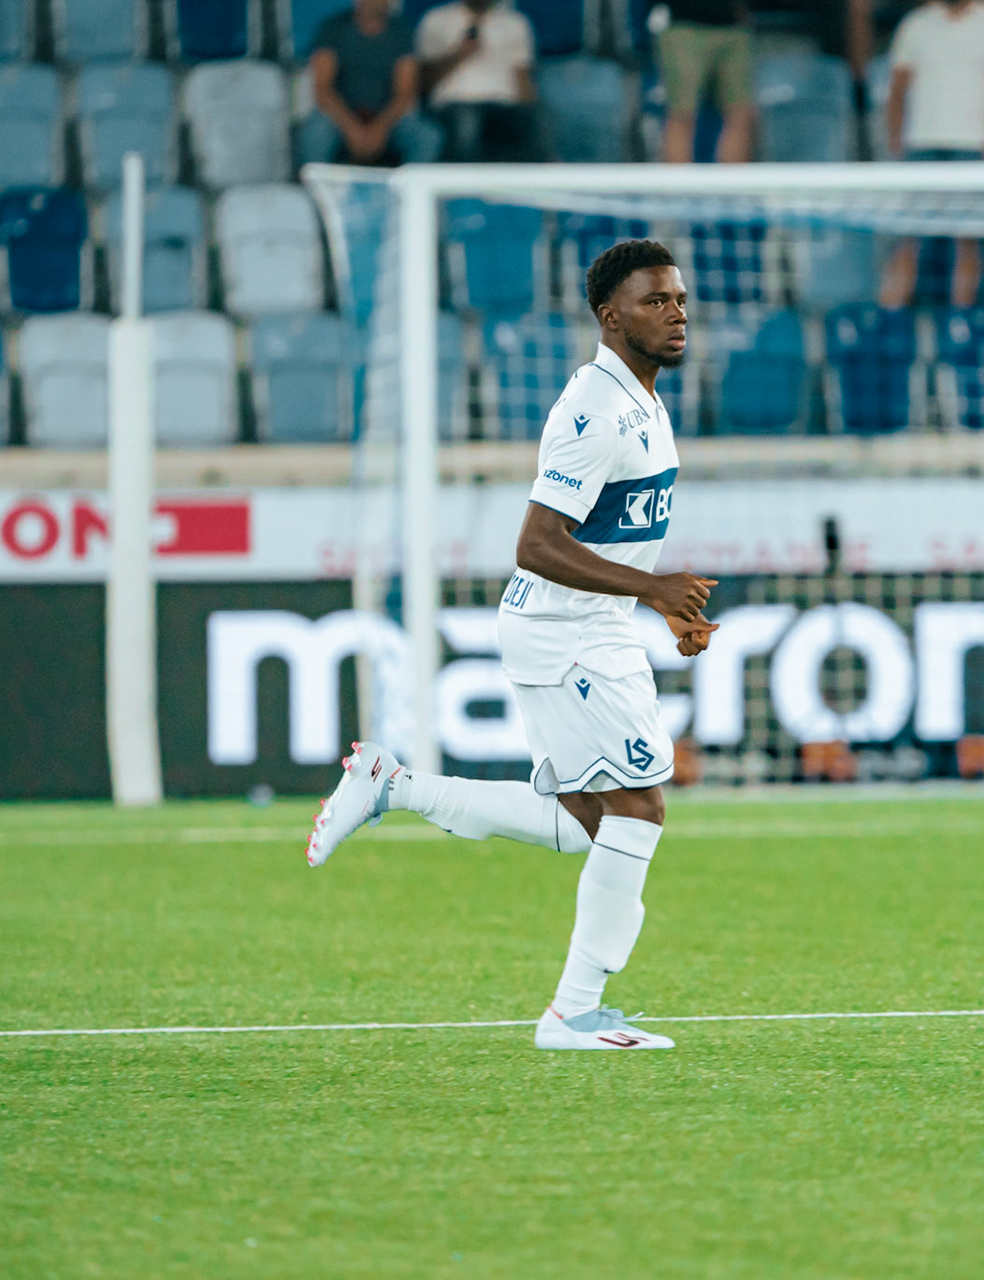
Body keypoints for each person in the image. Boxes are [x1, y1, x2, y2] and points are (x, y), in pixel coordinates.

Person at [306, 240, 717, 1052]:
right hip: (565, 632)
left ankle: (395, 786)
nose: (674, 313)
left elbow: (610, 532)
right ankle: (573, 1013)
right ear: (610, 317)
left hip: (585, 626)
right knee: (640, 807)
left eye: (677, 299)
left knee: (586, 820)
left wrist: (656, 603)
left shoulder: (642, 397)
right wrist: (655, 590)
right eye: (653, 301)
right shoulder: (596, 410)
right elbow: (535, 541)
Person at [879, 0, 984, 308]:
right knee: (908, 237)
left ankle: (963, 318)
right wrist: (896, 138)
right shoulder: (916, 23)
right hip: (921, 145)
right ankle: (890, 313)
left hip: (972, 146)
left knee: (967, 237)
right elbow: (896, 89)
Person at [304, 0, 440, 166]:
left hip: (388, 119)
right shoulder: (333, 28)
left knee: (428, 137)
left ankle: (405, 188)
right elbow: (323, 90)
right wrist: (352, 129)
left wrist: (380, 128)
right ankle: (319, 189)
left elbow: (405, 93)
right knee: (315, 134)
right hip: (341, 117)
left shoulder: (402, 30)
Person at [416, 0, 542, 163]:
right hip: (456, 102)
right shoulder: (436, 19)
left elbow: (523, 77)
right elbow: (423, 80)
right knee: (467, 125)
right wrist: (459, 55)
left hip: (504, 104)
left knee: (539, 121)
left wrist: (532, 112)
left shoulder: (515, 22)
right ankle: (464, 186)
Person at [658, 0, 756, 164]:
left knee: (741, 113)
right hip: (684, 27)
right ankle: (677, 187)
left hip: (734, 28)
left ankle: (734, 187)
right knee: (682, 113)